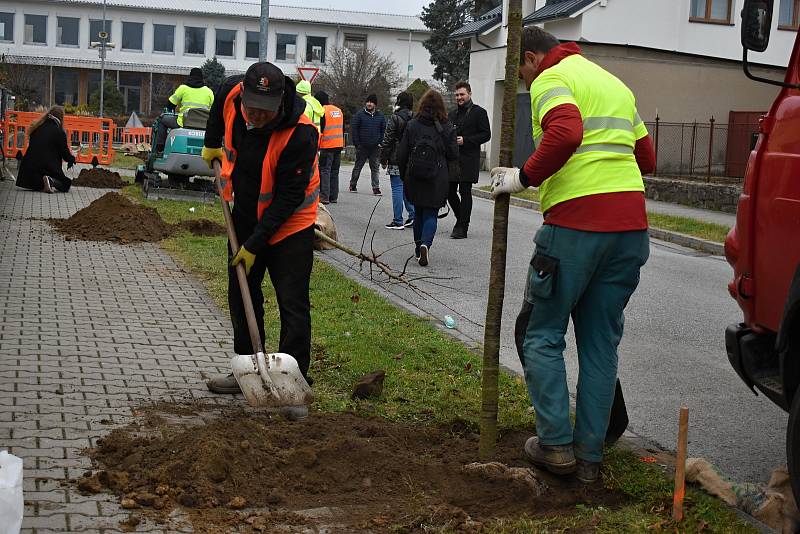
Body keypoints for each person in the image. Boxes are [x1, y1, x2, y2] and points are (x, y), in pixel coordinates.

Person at [490, 27, 655, 483]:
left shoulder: (551, 78)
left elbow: (564, 133)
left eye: (519, 72)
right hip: (630, 229)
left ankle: (556, 446)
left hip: (576, 226)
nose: (523, 82)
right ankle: (589, 461)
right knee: (601, 343)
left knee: (541, 334)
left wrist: (523, 177)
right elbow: (647, 157)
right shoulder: (613, 83)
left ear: (529, 58)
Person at [201, 62, 320, 419]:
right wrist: (211, 145)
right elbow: (219, 106)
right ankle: (245, 370)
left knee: (292, 303)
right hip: (244, 215)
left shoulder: (301, 134)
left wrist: (255, 244)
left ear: (281, 101)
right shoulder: (232, 94)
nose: (255, 115)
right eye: (251, 107)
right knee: (240, 295)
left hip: (290, 224)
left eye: (264, 111)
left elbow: (286, 197)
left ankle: (294, 385)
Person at [396, 89, 458, 267]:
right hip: (437, 177)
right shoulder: (447, 126)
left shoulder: (413, 124)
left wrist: (403, 174)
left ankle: (417, 249)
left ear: (422, 104)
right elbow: (454, 154)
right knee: (431, 213)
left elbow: (402, 153)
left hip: (415, 175)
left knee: (418, 213)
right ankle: (426, 244)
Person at [447, 81, 491, 239]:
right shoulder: (451, 114)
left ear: (469, 94)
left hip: (469, 159)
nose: (459, 97)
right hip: (452, 160)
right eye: (457, 95)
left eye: (462, 94)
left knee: (465, 192)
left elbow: (486, 134)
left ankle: (462, 227)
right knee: (449, 191)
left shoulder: (479, 112)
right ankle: (461, 219)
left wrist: (465, 140)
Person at [16, 106, 75, 193]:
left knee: (39, 182)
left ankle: (46, 183)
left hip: (27, 176)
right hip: (45, 168)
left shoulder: (37, 127)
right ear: (61, 118)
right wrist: (72, 159)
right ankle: (51, 181)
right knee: (66, 183)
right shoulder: (59, 132)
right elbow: (65, 154)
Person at [154, 67, 214, 153]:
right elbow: (214, 111)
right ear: (202, 78)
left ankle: (160, 147)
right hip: (203, 125)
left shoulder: (183, 88)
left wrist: (173, 107)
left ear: (190, 77)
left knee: (162, 121)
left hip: (182, 123)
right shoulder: (209, 92)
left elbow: (170, 104)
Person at [380, 92, 415, 230]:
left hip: (396, 158)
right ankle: (413, 215)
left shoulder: (395, 118)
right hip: (411, 158)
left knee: (397, 188)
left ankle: (398, 220)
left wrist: (383, 158)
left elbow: (387, 140)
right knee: (407, 188)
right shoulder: (415, 118)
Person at [349, 94, 386, 195]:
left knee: (375, 168)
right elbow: (354, 129)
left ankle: (376, 188)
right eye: (368, 102)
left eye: (371, 102)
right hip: (362, 147)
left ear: (375, 104)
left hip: (375, 147)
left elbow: (383, 130)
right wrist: (357, 144)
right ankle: (353, 185)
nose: (369, 104)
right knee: (358, 166)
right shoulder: (359, 115)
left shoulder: (380, 116)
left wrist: (380, 142)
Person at [316, 91, 343, 204]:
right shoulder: (338, 110)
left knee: (325, 171)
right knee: (335, 171)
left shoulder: (323, 111)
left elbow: (321, 128)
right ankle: (333, 196)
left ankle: (324, 197)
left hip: (327, 145)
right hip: (339, 144)